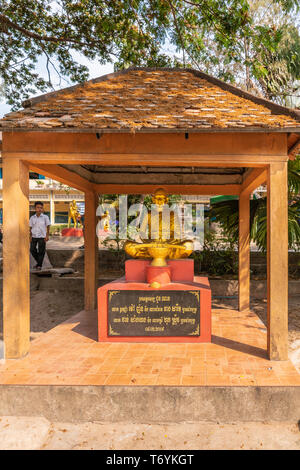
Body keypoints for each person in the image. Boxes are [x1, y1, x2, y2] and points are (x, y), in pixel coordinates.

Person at [29, 201, 51, 270]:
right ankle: (39, 263)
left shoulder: (45, 217)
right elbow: (30, 227)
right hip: (34, 236)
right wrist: (30, 236)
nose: (39, 209)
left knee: (41, 251)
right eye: (38, 207)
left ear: (42, 209)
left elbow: (48, 226)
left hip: (42, 236)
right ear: (35, 208)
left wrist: (47, 236)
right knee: (32, 250)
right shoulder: (32, 218)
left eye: (41, 208)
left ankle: (39, 266)